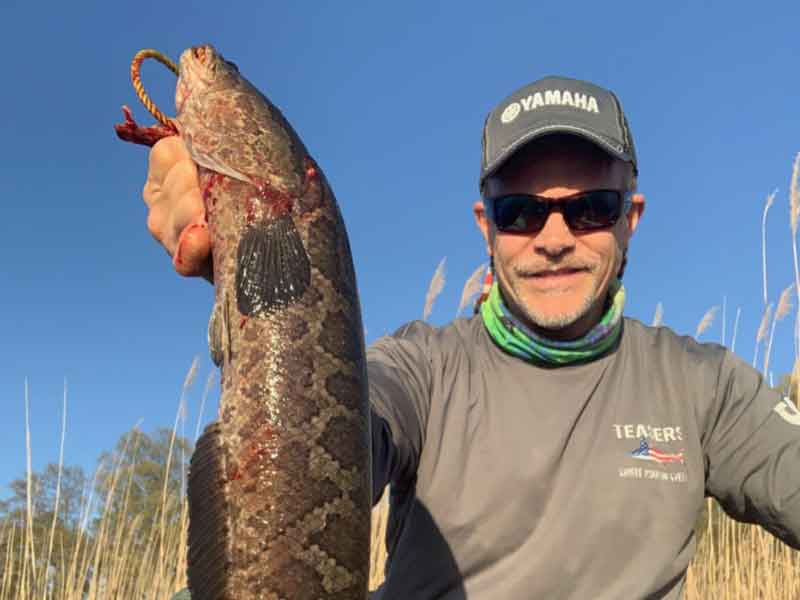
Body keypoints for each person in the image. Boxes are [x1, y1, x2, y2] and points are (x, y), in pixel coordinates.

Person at [148, 76, 800, 599]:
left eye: (590, 209)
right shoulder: (423, 369)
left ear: (631, 217)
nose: (553, 239)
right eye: (521, 213)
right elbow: (339, 439)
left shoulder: (704, 385)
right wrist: (256, 270)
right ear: (485, 225)